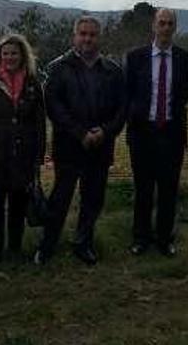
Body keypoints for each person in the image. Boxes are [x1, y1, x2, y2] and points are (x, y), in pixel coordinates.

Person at [35, 16, 127, 266]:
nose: (87, 39)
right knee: (60, 198)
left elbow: (122, 109)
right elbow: (54, 106)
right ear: (74, 36)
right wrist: (80, 133)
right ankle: (47, 245)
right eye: (83, 34)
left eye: (92, 34)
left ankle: (83, 243)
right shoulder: (58, 68)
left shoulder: (113, 70)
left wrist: (104, 133)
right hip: (68, 146)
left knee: (93, 198)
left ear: (99, 37)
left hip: (100, 146)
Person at [124, 8, 188, 257]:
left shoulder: (185, 59)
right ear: (153, 26)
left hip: (171, 134)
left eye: (170, 24)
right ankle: (141, 238)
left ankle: (165, 239)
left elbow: (183, 95)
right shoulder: (135, 57)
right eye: (161, 23)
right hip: (143, 134)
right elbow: (128, 94)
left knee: (168, 190)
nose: (165, 28)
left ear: (175, 28)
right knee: (143, 189)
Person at [0, 34, 46, 264]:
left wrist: (38, 155)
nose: (9, 57)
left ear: (22, 55)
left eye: (14, 53)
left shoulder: (33, 82)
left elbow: (39, 122)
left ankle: (15, 249)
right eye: (5, 53)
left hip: (23, 155)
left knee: (18, 205)